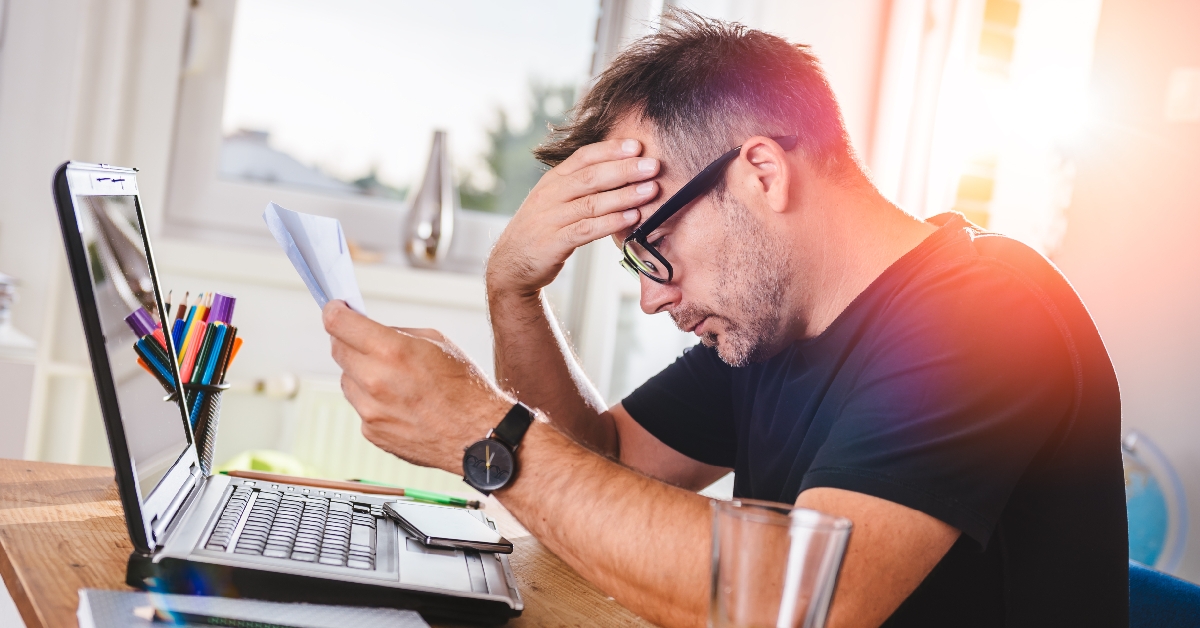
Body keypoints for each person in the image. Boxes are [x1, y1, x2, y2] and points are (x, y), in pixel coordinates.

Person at [323, 10, 1127, 628]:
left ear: (762, 173)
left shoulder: (987, 314)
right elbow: (607, 472)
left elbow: (804, 600)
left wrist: (486, 434)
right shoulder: (777, 324)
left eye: (655, 245)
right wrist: (513, 292)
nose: (652, 297)